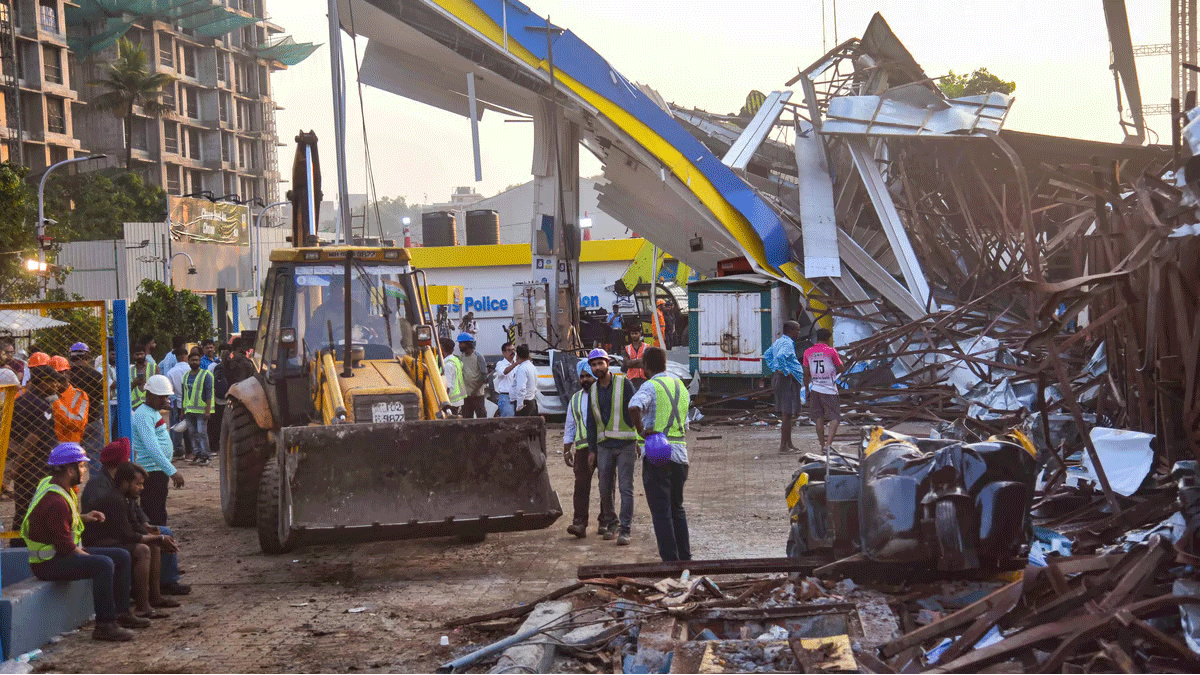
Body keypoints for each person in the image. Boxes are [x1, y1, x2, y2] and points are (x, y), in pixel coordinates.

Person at [22, 442, 149, 641]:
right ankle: (105, 625)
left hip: (57, 555)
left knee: (122, 556)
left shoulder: (52, 485)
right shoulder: (56, 501)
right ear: (69, 469)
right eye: (81, 466)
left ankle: (122, 613)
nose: (84, 470)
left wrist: (85, 517)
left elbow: (58, 522)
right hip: (49, 563)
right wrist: (89, 555)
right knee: (104, 563)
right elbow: (66, 546)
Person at [82, 439, 189, 596]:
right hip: (109, 534)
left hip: (122, 529)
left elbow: (134, 508)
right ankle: (163, 584)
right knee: (156, 540)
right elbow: (116, 520)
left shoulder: (117, 480)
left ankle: (161, 585)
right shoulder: (102, 484)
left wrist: (145, 524)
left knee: (163, 532)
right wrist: (144, 531)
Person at [83, 461, 181, 619]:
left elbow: (135, 525)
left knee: (153, 546)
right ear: (125, 483)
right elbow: (127, 535)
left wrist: (154, 535)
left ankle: (153, 598)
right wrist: (159, 537)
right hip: (100, 542)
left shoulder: (127, 498)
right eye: (138, 484)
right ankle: (141, 607)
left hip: (115, 539)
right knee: (143, 550)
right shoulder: (115, 499)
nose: (141, 488)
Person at [629, 346, 691, 562]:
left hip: (657, 453)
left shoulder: (651, 386)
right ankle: (685, 559)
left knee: (661, 511)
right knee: (677, 508)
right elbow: (686, 422)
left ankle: (669, 561)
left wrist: (641, 431)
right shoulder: (681, 387)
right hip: (680, 454)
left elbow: (634, 406)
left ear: (645, 366)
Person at [585, 348, 637, 545]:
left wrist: (639, 440)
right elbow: (591, 422)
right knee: (604, 487)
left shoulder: (624, 384)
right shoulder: (593, 390)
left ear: (607, 363)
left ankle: (625, 529)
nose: (597, 367)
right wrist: (592, 449)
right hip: (604, 446)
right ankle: (612, 522)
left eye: (600, 363)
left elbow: (636, 410)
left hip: (625, 444)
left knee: (626, 488)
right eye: (593, 364)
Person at [8, 359, 60, 543]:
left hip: (24, 468)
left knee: (22, 508)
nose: (57, 385)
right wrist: (18, 463)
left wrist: (15, 463)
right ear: (43, 382)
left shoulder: (21, 401)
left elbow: (12, 437)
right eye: (53, 381)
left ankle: (16, 543)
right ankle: (27, 545)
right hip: (37, 467)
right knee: (37, 508)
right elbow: (33, 439)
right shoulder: (41, 405)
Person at [132, 374, 184, 525]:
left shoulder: (150, 411)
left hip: (157, 470)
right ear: (149, 395)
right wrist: (172, 471)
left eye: (166, 397)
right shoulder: (143, 415)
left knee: (158, 510)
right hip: (152, 472)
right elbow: (152, 448)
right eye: (161, 397)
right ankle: (157, 543)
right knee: (155, 513)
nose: (165, 400)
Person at [563, 361, 598, 538]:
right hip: (583, 449)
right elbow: (570, 425)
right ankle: (579, 523)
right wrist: (566, 448)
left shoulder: (603, 395)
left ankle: (606, 522)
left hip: (603, 446)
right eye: (582, 376)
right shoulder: (576, 399)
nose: (585, 380)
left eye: (588, 376)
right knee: (581, 487)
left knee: (607, 487)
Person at [764, 321, 806, 455]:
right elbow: (781, 357)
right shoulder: (787, 343)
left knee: (788, 413)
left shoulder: (780, 341)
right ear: (791, 330)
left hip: (782, 378)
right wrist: (786, 371)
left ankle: (789, 443)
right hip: (787, 380)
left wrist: (774, 369)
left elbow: (767, 354)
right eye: (797, 330)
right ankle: (783, 446)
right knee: (787, 413)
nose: (798, 333)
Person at [803, 328, 845, 454]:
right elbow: (841, 368)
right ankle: (828, 445)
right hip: (829, 389)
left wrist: (806, 389)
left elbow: (806, 373)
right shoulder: (831, 351)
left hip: (815, 388)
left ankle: (822, 446)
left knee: (819, 418)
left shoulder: (808, 352)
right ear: (828, 339)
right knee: (835, 418)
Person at [68, 343, 106, 470]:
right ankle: (98, 488)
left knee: (70, 460)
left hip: (70, 422)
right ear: (87, 356)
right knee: (95, 458)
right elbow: (103, 395)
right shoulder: (95, 375)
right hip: (92, 419)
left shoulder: (65, 376)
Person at [181, 347, 214, 465]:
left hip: (201, 410)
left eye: (196, 360)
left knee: (201, 433)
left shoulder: (206, 375)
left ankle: (206, 456)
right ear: (188, 361)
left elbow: (209, 393)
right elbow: (184, 394)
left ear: (200, 361)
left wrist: (207, 410)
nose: (194, 362)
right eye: (192, 360)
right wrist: (182, 410)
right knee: (192, 433)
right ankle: (197, 454)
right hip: (189, 410)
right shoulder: (185, 376)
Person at [50, 355, 89, 445]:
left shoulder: (80, 395)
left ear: (68, 374)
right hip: (48, 447)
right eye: (52, 376)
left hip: (71, 447)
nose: (56, 379)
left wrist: (55, 401)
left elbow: (78, 423)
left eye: (59, 374)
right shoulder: (45, 395)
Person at [165, 347, 190, 459]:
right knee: (191, 427)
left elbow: (170, 391)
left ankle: (178, 449)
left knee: (177, 427)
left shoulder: (171, 372)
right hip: (192, 402)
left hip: (177, 402)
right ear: (186, 356)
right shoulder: (191, 370)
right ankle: (191, 450)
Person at [455, 333, 488, 419]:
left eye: (461, 343)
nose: (459, 345)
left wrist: (475, 391)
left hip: (477, 395)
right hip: (466, 396)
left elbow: (484, 377)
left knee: (481, 418)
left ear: (468, 344)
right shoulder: (461, 357)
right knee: (466, 419)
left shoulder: (478, 357)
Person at [511, 345, 539, 416]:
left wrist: (519, 405)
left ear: (517, 355)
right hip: (531, 401)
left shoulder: (522, 369)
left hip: (524, 403)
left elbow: (521, 388)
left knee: (521, 426)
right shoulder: (532, 367)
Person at [493, 342, 517, 418]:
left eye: (513, 350)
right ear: (504, 352)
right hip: (506, 397)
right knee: (508, 420)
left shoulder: (517, 364)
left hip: (517, 396)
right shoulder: (500, 364)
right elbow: (504, 372)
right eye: (509, 350)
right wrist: (515, 364)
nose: (512, 352)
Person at [129, 342, 156, 411]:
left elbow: (159, 385)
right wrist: (134, 383)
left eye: (141, 354)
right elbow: (126, 389)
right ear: (133, 355)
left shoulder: (154, 367)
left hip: (150, 405)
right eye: (137, 354)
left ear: (145, 354)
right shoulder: (129, 370)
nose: (140, 356)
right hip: (134, 406)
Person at [440, 338, 464, 415]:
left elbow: (448, 385)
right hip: (458, 400)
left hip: (450, 402)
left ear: (441, 348)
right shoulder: (456, 360)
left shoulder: (447, 365)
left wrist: (444, 402)